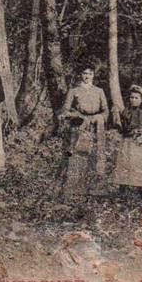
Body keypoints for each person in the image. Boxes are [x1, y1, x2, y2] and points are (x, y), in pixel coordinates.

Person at [59, 66, 112, 198]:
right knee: (77, 155)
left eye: (90, 73)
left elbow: (106, 111)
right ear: (80, 75)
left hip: (95, 127)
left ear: (93, 75)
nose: (87, 76)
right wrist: (76, 116)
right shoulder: (74, 91)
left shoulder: (99, 91)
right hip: (79, 126)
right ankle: (75, 188)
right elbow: (65, 110)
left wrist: (99, 117)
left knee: (94, 156)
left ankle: (94, 188)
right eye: (84, 73)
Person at [111, 84, 142, 195]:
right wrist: (118, 121)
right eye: (131, 97)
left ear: (141, 99)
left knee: (139, 163)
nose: (133, 100)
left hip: (140, 143)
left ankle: (141, 189)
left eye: (136, 98)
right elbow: (122, 127)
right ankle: (122, 189)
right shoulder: (125, 112)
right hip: (127, 141)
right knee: (125, 163)